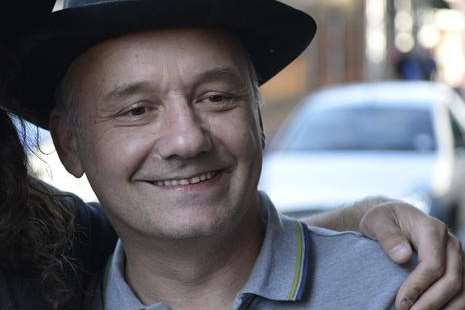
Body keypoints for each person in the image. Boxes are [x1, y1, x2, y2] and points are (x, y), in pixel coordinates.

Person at [2, 0, 465, 309]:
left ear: (259, 120)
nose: (187, 140)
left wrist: (368, 229)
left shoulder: (408, 293)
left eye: (218, 98)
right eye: (137, 110)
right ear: (69, 144)